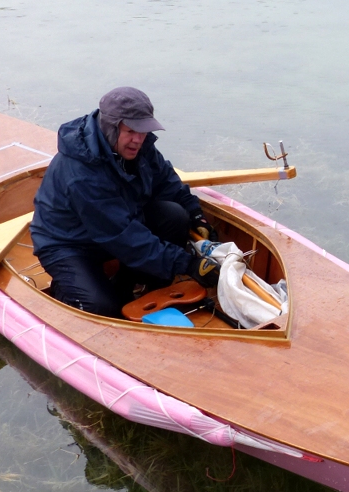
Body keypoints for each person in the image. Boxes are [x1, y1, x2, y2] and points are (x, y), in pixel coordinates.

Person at [30, 87, 219, 318]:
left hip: (114, 229)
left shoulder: (139, 145)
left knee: (175, 216)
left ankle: (133, 285)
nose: (138, 140)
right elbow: (121, 235)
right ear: (110, 127)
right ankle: (67, 292)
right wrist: (188, 264)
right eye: (131, 131)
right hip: (68, 243)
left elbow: (166, 182)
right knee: (100, 309)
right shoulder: (81, 172)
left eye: (143, 131)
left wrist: (196, 215)